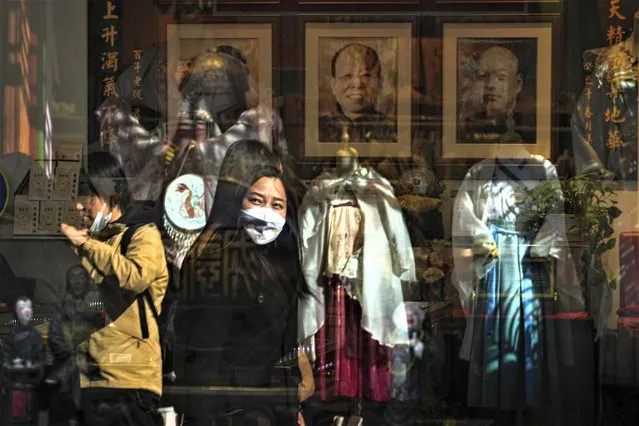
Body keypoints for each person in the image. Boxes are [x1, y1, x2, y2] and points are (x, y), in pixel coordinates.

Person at [177, 143, 313, 425]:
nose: (267, 212)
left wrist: (291, 408)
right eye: (256, 199)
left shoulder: (279, 258)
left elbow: (282, 345)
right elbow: (204, 358)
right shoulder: (218, 257)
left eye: (277, 204)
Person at [60, 151, 169, 426]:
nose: (80, 209)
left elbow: (134, 277)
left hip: (130, 378)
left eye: (89, 202)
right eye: (79, 202)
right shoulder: (95, 241)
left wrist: (87, 246)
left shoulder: (142, 234)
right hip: (91, 377)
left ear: (113, 198)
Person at [319, 43, 397, 143]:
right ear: (333, 85)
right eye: (347, 75)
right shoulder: (316, 131)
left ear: (379, 84)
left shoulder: (396, 131)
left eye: (366, 75)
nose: (357, 83)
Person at [457, 45, 534, 144]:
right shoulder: (467, 124)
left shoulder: (528, 126)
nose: (490, 84)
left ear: (518, 82)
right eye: (483, 76)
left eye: (501, 77)